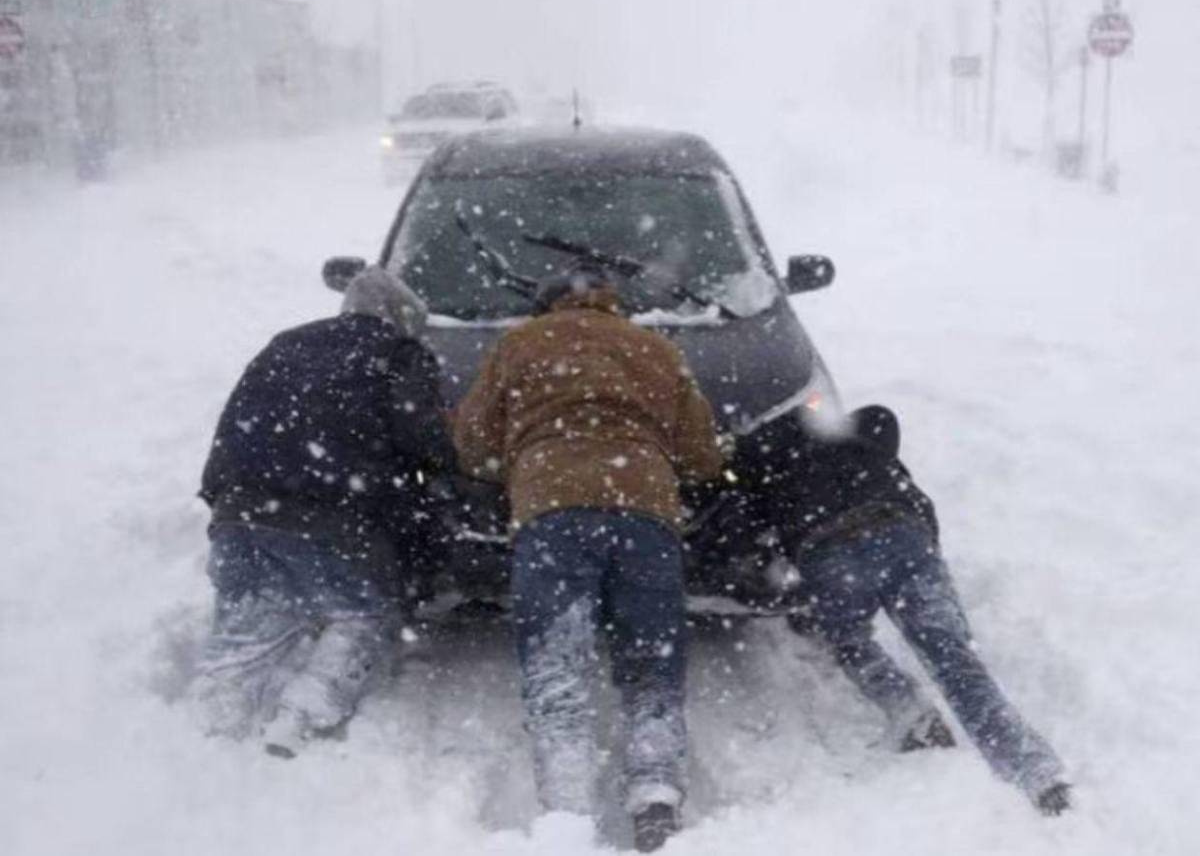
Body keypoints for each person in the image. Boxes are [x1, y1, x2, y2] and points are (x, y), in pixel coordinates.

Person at [452, 264, 726, 851]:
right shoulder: (655, 347)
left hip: (552, 512)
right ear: (611, 303)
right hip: (646, 509)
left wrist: (521, 463)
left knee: (557, 666)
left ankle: (568, 810)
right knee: (652, 661)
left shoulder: (519, 343)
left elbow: (472, 441)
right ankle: (654, 794)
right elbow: (701, 453)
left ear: (547, 305)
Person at [192, 267, 454, 757]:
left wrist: (223, 503)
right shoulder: (399, 353)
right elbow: (424, 439)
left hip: (240, 510)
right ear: (402, 319)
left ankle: (211, 735)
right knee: (363, 613)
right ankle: (300, 719)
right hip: (336, 517)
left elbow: (232, 425)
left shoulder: (284, 343)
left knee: (245, 631)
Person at [766, 404, 1071, 815]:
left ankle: (910, 712)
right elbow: (882, 420)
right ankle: (1037, 773)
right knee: (952, 656)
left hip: (827, 548)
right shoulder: (858, 436)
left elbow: (747, 537)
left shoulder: (765, 461)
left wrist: (800, 595)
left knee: (850, 641)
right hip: (899, 530)